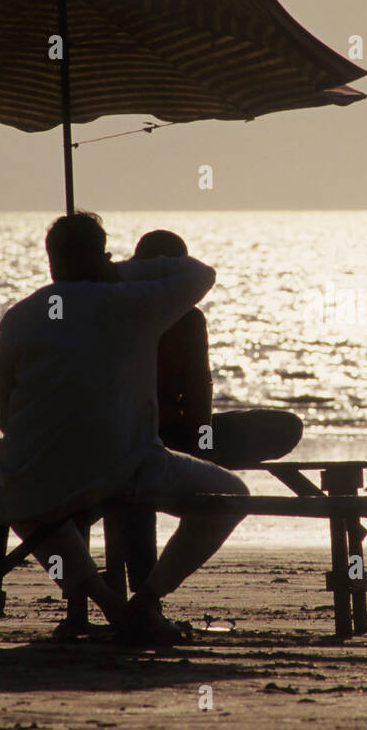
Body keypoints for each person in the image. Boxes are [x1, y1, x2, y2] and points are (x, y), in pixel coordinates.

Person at [0, 212, 248, 644]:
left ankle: (104, 601)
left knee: (23, 504)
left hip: (39, 474)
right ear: (103, 256)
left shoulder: (21, 315)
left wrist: (90, 272)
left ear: (51, 260)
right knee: (231, 498)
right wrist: (113, 272)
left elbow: (4, 406)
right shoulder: (133, 303)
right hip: (123, 468)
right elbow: (200, 272)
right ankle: (146, 601)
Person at [122, 231, 302, 592]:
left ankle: (143, 591)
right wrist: (201, 444)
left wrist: (200, 438)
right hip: (157, 439)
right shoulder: (181, 319)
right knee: (134, 492)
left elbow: (198, 391)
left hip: (166, 435)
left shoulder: (139, 314)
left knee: (285, 425)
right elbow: (198, 391)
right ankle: (146, 592)